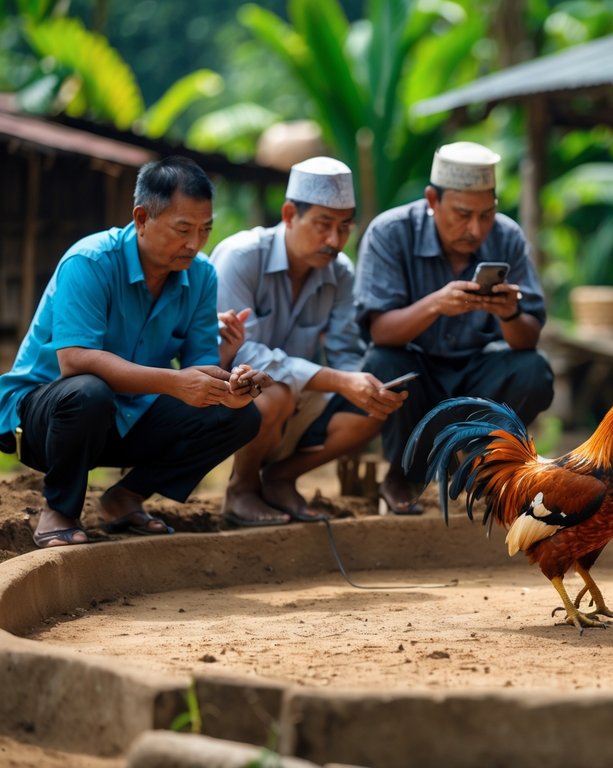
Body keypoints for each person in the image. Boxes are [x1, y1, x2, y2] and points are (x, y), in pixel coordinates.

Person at [0, 156, 265, 548]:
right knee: (88, 391)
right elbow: (74, 361)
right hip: (45, 420)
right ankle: (59, 509)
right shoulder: (89, 261)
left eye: (204, 229)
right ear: (142, 218)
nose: (194, 243)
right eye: (182, 229)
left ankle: (124, 498)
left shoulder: (203, 275)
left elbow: (200, 368)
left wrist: (233, 385)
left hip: (126, 416)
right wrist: (175, 382)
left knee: (239, 418)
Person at [353, 141, 554, 514]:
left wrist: (509, 314)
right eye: (462, 214)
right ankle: (403, 472)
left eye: (486, 215)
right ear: (432, 200)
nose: (474, 228)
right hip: (416, 372)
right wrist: (435, 304)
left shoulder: (507, 236)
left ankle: (478, 460)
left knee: (534, 370)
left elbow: (528, 338)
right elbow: (380, 332)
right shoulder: (390, 232)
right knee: (384, 362)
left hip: (479, 374)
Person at [211, 157, 407, 526]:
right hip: (231, 393)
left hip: (302, 398)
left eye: (344, 227)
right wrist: (338, 380)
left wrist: (361, 386)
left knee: (373, 408)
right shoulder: (241, 256)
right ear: (288, 214)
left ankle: (281, 478)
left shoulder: (340, 273)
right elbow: (242, 353)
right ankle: (242, 490)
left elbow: (345, 350)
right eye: (323, 225)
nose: (334, 240)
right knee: (272, 392)